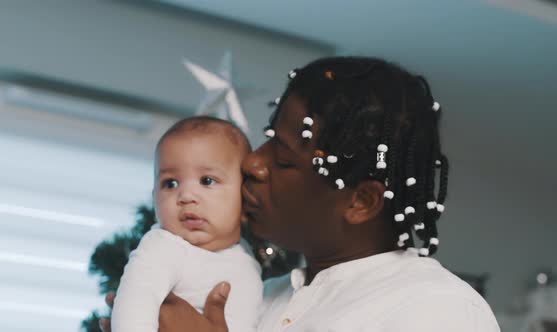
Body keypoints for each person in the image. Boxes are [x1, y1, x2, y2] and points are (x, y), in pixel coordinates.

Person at [102, 56, 500, 331]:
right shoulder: (265, 297)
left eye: (284, 158)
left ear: (360, 202)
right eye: (268, 139)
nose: (253, 163)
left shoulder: (437, 310)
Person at [110, 116, 263, 332]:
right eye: (170, 183)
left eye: (207, 181)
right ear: (155, 199)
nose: (186, 195)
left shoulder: (246, 260)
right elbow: (135, 303)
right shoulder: (163, 247)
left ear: (245, 195)